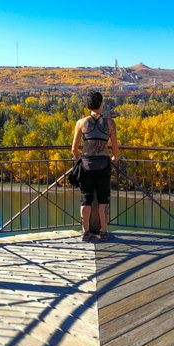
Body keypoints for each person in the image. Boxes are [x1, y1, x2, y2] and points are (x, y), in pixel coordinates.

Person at [71, 91, 120, 242]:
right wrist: (114, 158)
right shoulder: (110, 123)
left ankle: (86, 232)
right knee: (103, 199)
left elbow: (73, 149)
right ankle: (104, 232)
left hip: (87, 165)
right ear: (101, 104)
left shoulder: (81, 123)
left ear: (88, 105)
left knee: (86, 199)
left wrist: (79, 159)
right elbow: (116, 148)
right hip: (104, 164)